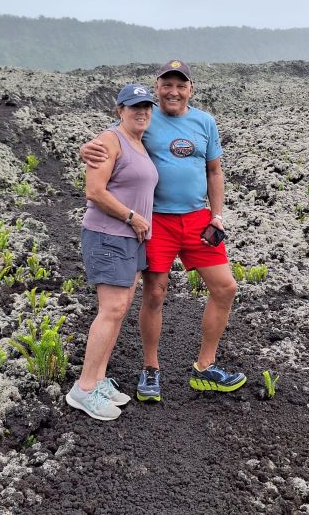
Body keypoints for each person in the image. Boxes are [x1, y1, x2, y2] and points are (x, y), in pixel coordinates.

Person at [80, 60, 246, 402]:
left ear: (190, 89)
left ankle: (205, 367)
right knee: (155, 293)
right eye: (167, 85)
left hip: (199, 219)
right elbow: (110, 142)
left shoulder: (205, 122)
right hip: (157, 221)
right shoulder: (146, 119)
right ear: (158, 89)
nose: (173, 91)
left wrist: (217, 215)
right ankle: (150, 368)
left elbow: (214, 171)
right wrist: (84, 149)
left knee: (226, 287)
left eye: (180, 85)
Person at [66, 84, 158, 421]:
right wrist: (132, 217)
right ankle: (85, 388)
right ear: (119, 109)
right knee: (111, 309)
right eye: (134, 106)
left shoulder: (140, 142)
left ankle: (100, 378)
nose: (141, 112)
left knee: (119, 310)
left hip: (132, 239)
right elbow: (94, 191)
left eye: (146, 106)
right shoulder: (109, 140)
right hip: (110, 235)